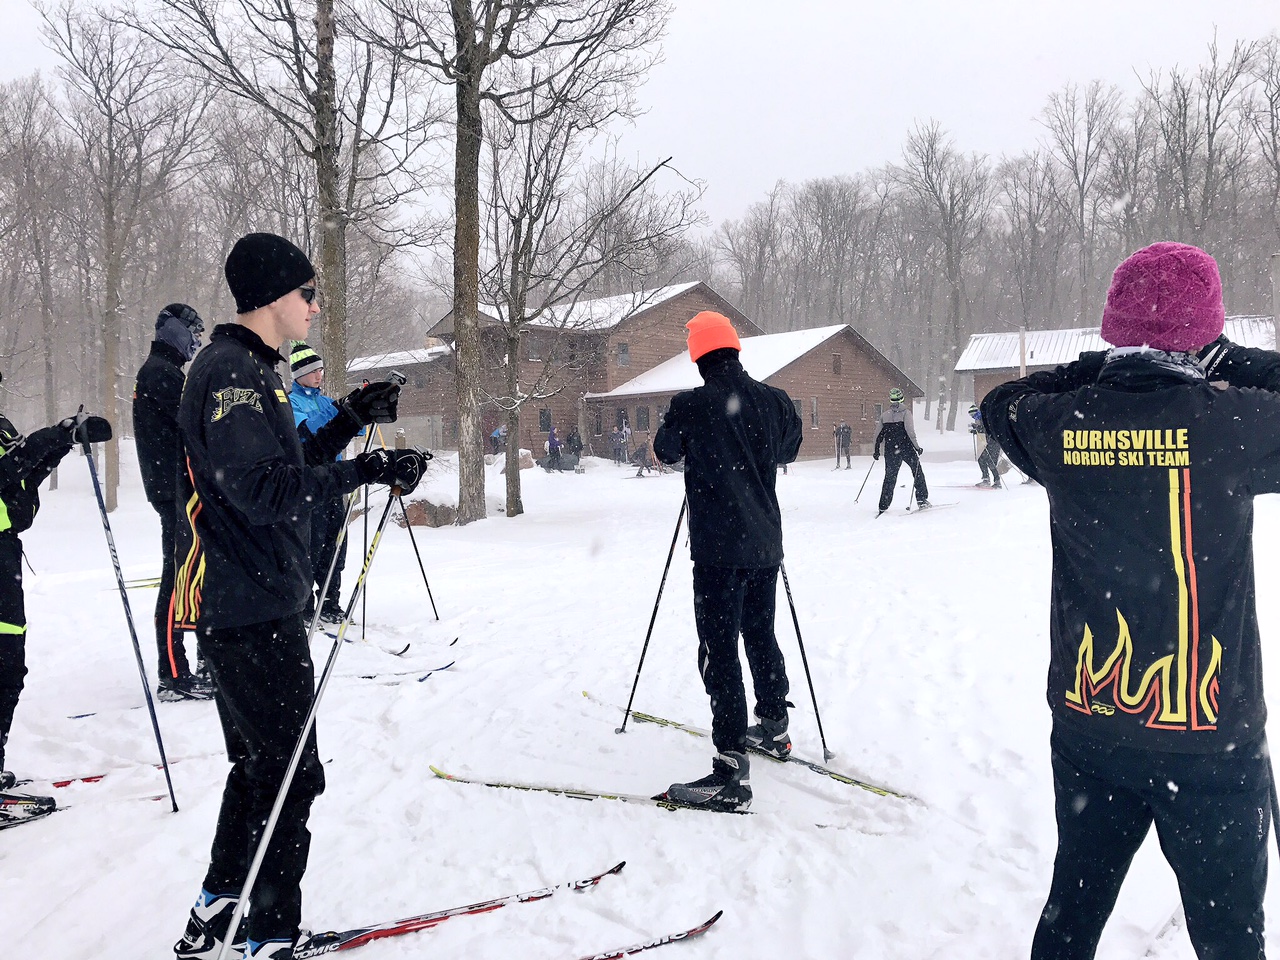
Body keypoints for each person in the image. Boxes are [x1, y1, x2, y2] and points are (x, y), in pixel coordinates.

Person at [982, 241, 1280, 960]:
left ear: (1113, 327)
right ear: (1204, 329)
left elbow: (999, 403)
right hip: (1209, 738)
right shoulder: (1231, 421)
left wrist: (1097, 366)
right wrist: (1223, 355)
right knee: (1230, 937)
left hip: (1093, 724)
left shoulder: (1062, 422)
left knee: (1072, 912)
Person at [172, 232, 428, 960]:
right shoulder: (228, 374)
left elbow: (283, 464)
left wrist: (350, 419)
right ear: (272, 296)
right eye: (308, 293)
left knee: (262, 771)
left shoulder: (256, 371)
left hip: (255, 602)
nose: (316, 306)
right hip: (248, 608)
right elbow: (261, 492)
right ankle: (270, 934)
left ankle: (218, 910)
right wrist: (365, 470)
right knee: (291, 776)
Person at [653, 311, 803, 811]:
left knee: (719, 650)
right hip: (764, 544)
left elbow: (665, 451)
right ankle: (774, 726)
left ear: (699, 355)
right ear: (735, 350)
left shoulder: (691, 404)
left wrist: (699, 449)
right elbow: (791, 448)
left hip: (719, 550)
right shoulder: (775, 401)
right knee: (759, 633)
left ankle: (730, 770)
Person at [0, 401, 108, 827]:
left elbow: (20, 477)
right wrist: (55, 435)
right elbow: (8, 470)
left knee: (10, 667)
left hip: (5, 554)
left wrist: (63, 443)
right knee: (4, 666)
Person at [133, 302, 213, 702]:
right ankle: (173, 673)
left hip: (181, 488)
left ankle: (197, 664)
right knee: (177, 579)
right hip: (173, 490)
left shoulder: (167, 372)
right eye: (193, 331)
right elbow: (196, 421)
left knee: (194, 576)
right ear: (175, 330)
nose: (197, 340)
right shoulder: (160, 373)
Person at [287, 343, 355, 626]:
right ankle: (304, 606)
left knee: (335, 544)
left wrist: (358, 407)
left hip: (334, 481)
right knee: (311, 545)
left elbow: (354, 426)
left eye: (321, 370)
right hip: (310, 482)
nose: (319, 375)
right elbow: (308, 429)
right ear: (300, 374)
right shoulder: (291, 401)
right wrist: (340, 410)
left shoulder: (324, 400)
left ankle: (330, 601)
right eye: (314, 371)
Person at [873, 387, 929, 515]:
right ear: (902, 398)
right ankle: (922, 499)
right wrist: (917, 447)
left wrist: (876, 451)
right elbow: (910, 432)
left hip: (890, 450)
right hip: (906, 448)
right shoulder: (906, 413)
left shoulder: (884, 415)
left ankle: (883, 505)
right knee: (917, 471)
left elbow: (878, 435)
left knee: (890, 477)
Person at [967, 403, 1002, 488]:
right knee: (983, 459)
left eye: (973, 414)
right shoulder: (982, 418)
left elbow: (986, 428)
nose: (972, 417)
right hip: (990, 442)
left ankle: (996, 481)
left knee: (989, 460)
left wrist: (977, 429)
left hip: (994, 442)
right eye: (971, 415)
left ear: (977, 412)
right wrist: (976, 429)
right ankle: (987, 478)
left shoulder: (984, 417)